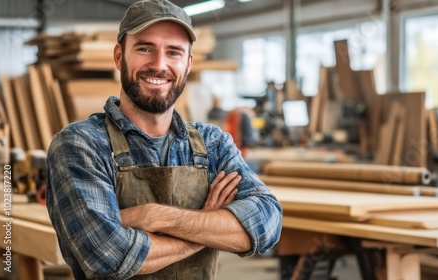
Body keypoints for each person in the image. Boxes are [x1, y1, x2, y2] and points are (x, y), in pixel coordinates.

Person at [45, 0, 282, 279]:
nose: (159, 65)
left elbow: (267, 223)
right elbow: (109, 257)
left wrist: (154, 216)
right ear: (120, 56)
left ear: (188, 63)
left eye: (174, 52)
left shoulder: (212, 143)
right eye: (145, 48)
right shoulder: (80, 145)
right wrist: (207, 226)